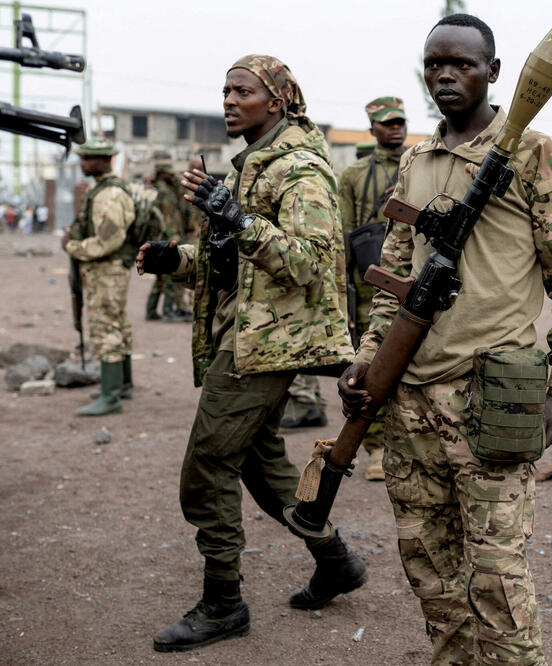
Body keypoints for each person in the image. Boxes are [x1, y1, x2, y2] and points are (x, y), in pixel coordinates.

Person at [340, 14, 552, 663]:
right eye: (434, 64)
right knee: (429, 567)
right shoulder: (416, 160)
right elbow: (394, 278)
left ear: (493, 71)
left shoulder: (539, 155)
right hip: (410, 401)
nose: (446, 75)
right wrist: (368, 358)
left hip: (490, 397)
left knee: (496, 577)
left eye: (461, 63)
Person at [136, 54, 366, 652]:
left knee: (207, 465)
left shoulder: (299, 170)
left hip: (265, 345)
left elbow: (309, 264)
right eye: (225, 91)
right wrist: (175, 259)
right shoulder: (253, 166)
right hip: (248, 337)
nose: (230, 101)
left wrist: (233, 214)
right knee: (263, 467)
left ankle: (223, 604)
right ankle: (335, 560)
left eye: (243, 91)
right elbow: (240, 265)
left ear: (279, 101)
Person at [321, 96, 409, 479]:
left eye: (400, 122)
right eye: (388, 123)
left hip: (412, 278)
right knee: (369, 366)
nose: (396, 129)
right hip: (368, 282)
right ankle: (375, 446)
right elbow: (342, 233)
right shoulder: (355, 175)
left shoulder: (420, 165)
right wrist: (341, 290)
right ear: (373, 129)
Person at [62, 137, 136, 416]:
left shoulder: (108, 195)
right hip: (109, 270)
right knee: (118, 324)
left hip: (106, 269)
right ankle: (122, 385)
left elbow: (108, 241)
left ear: (105, 160)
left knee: (105, 328)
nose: (82, 163)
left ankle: (110, 396)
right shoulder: (105, 190)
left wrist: (73, 246)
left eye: (87, 158)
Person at [145, 156, 186, 322]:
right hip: (166, 240)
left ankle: (151, 310)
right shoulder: (165, 193)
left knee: (159, 277)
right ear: (162, 174)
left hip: (154, 240)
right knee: (169, 276)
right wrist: (173, 240)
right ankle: (168, 312)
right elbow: (169, 219)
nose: (172, 176)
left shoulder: (153, 190)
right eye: (169, 173)